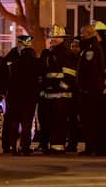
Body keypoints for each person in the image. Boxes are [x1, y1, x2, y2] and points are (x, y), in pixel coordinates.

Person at [37, 24, 77, 154]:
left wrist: (61, 87)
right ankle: (45, 144)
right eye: (51, 37)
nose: (52, 39)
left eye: (55, 37)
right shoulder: (48, 53)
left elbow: (70, 75)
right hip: (48, 94)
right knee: (46, 121)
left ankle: (58, 146)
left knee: (59, 121)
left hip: (61, 96)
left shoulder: (66, 54)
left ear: (62, 38)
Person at [0, 35, 39, 155]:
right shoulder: (30, 58)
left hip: (14, 95)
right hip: (26, 95)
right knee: (24, 121)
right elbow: (36, 76)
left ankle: (10, 146)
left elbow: (2, 76)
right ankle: (23, 147)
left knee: (12, 121)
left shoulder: (10, 58)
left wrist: (4, 90)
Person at [76, 24, 106, 155]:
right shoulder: (89, 48)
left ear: (88, 34)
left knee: (90, 120)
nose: (81, 36)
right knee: (87, 120)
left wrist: (87, 88)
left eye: (83, 34)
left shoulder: (92, 49)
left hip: (91, 91)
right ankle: (90, 146)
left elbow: (91, 70)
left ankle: (91, 147)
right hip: (89, 90)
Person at [65, 36, 81, 152]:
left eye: (76, 46)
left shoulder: (82, 59)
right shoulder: (68, 59)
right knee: (71, 121)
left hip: (80, 94)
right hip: (70, 94)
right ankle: (72, 144)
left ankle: (73, 143)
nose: (74, 48)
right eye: (72, 46)